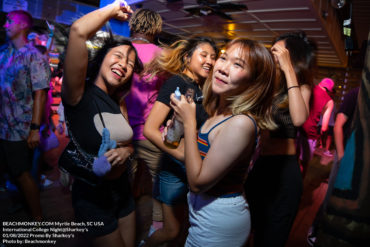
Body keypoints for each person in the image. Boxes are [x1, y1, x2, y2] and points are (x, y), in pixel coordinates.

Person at [169, 38, 276, 246]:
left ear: (254, 82)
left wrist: (190, 123)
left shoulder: (241, 124)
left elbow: (198, 182)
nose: (223, 68)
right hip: (201, 214)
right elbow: (198, 160)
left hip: (219, 220)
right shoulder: (217, 113)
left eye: (238, 65)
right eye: (224, 58)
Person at [62, 1, 142, 246]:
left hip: (122, 190)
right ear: (101, 58)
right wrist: (112, 9)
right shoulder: (78, 94)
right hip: (91, 197)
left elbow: (129, 145)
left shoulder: (119, 101)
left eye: (129, 64)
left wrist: (124, 151)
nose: (123, 65)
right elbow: (78, 31)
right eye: (117, 56)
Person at [143, 36, 217, 246]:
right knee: (172, 230)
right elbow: (150, 129)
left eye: (213, 57)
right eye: (203, 55)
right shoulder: (177, 83)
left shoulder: (201, 87)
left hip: (196, 167)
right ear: (187, 58)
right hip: (175, 169)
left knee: (185, 224)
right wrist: (181, 155)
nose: (210, 61)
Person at [245, 31, 316, 247]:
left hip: (285, 172)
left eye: (278, 50)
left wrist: (288, 69)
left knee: (272, 237)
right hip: (261, 166)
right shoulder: (269, 85)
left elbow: (298, 118)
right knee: (249, 229)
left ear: (290, 56)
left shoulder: (300, 86)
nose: (272, 54)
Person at [0, 10, 51, 221]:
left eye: (10, 21)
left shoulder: (34, 56)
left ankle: (38, 218)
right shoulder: (4, 54)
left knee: (22, 174)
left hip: (21, 129)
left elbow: (40, 93)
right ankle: (21, 203)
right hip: (3, 125)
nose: (5, 25)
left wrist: (34, 129)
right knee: (12, 172)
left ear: (22, 25)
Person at [124, 8, 165, 232]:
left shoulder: (120, 50)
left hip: (122, 131)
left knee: (122, 182)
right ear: (156, 28)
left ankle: (122, 223)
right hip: (151, 132)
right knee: (160, 184)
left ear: (133, 25)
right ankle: (157, 227)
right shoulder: (162, 55)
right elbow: (169, 93)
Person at [300, 78, 335, 171]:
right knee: (304, 164)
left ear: (320, 84)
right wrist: (322, 142)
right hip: (309, 135)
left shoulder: (308, 88)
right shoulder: (329, 101)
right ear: (330, 90)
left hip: (297, 129)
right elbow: (324, 128)